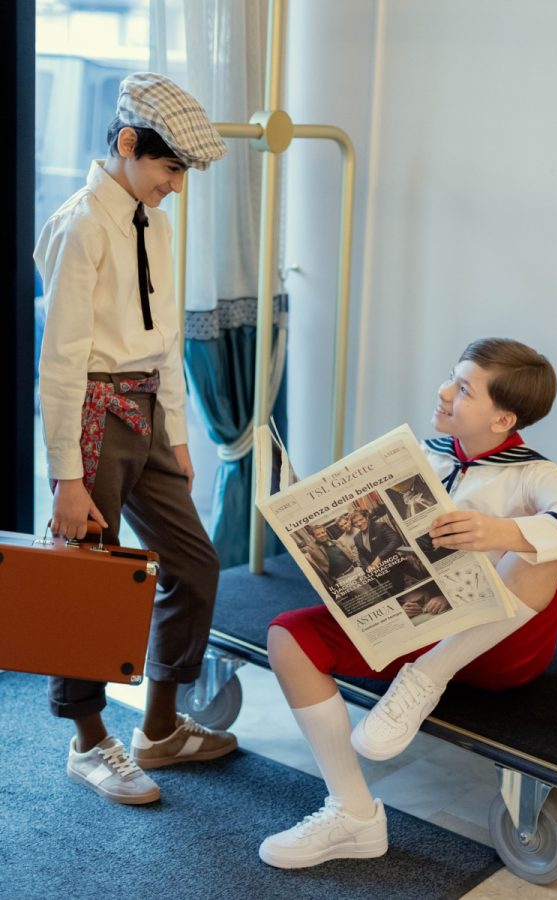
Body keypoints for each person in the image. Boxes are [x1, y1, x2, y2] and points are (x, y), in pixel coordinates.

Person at [258, 337, 557, 869]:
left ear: (503, 419)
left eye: (463, 389)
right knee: (288, 637)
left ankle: (426, 679)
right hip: (416, 623)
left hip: (495, 647)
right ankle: (352, 814)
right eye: (451, 377)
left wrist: (503, 532)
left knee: (541, 551)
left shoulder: (534, 474)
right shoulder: (418, 454)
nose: (443, 392)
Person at [35, 72, 237, 806]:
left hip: (147, 412)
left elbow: (165, 336)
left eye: (182, 174)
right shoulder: (82, 224)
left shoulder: (158, 222)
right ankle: (88, 741)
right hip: (92, 412)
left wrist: (175, 431)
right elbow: (60, 360)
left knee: (194, 564)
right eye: (169, 168)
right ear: (128, 142)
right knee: (89, 579)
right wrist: (66, 477)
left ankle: (158, 727)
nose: (175, 186)